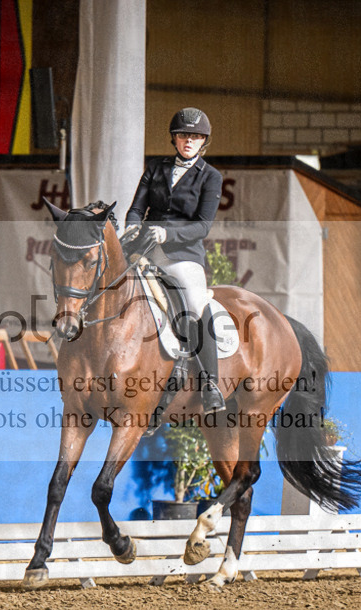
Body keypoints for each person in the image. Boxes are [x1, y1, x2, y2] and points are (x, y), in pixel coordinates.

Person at [125, 107, 225, 413]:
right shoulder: (155, 168)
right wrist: (131, 226)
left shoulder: (210, 177)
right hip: (144, 248)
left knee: (196, 303)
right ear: (175, 138)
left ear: (203, 141)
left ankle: (210, 384)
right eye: (183, 135)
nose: (188, 141)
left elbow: (203, 226)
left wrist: (166, 234)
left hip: (182, 253)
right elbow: (136, 207)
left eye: (195, 137)